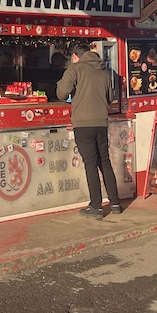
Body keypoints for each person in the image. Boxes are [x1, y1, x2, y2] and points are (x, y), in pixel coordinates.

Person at [56, 43, 121, 219]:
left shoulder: (75, 69)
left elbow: (62, 93)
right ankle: (115, 203)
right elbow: (111, 97)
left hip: (83, 124)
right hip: (101, 122)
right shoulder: (104, 71)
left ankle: (96, 206)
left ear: (75, 56)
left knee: (91, 164)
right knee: (104, 162)